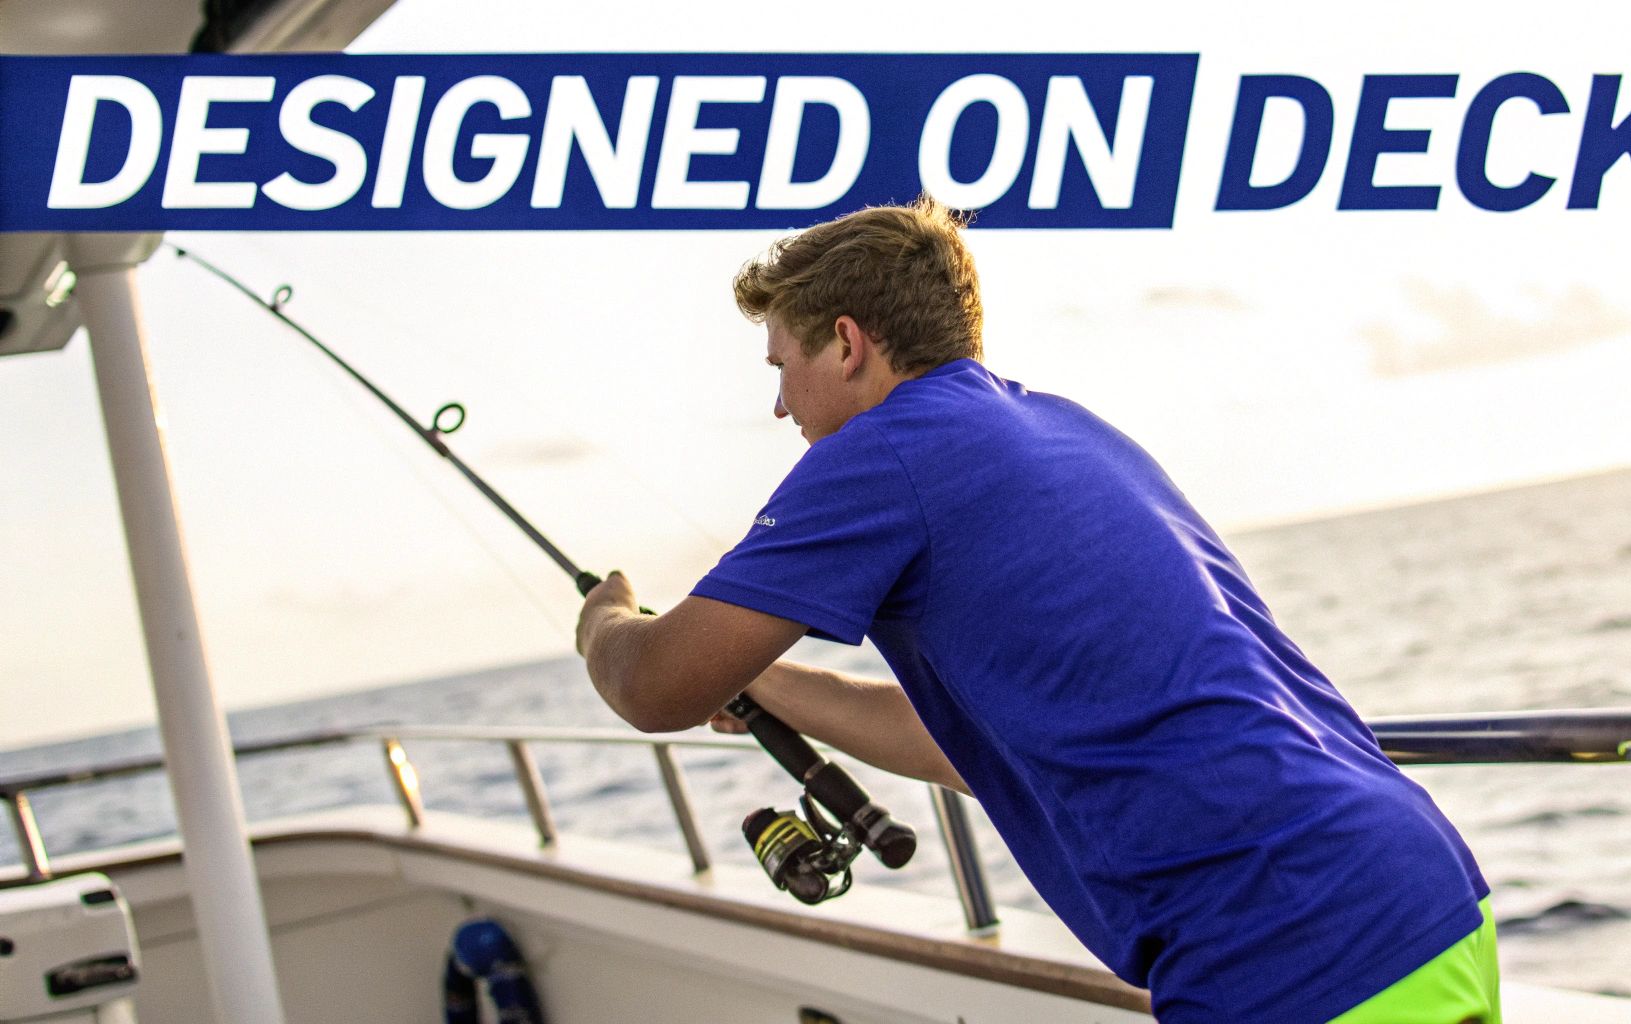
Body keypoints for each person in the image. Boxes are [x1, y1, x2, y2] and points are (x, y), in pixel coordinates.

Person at [575, 197, 1499, 1024]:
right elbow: (985, 746)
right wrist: (771, 683)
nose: (778, 406)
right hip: (1419, 890)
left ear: (848, 344)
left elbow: (656, 687)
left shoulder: (882, 453)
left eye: (782, 364)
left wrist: (606, 622)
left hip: (1287, 952)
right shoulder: (1065, 427)